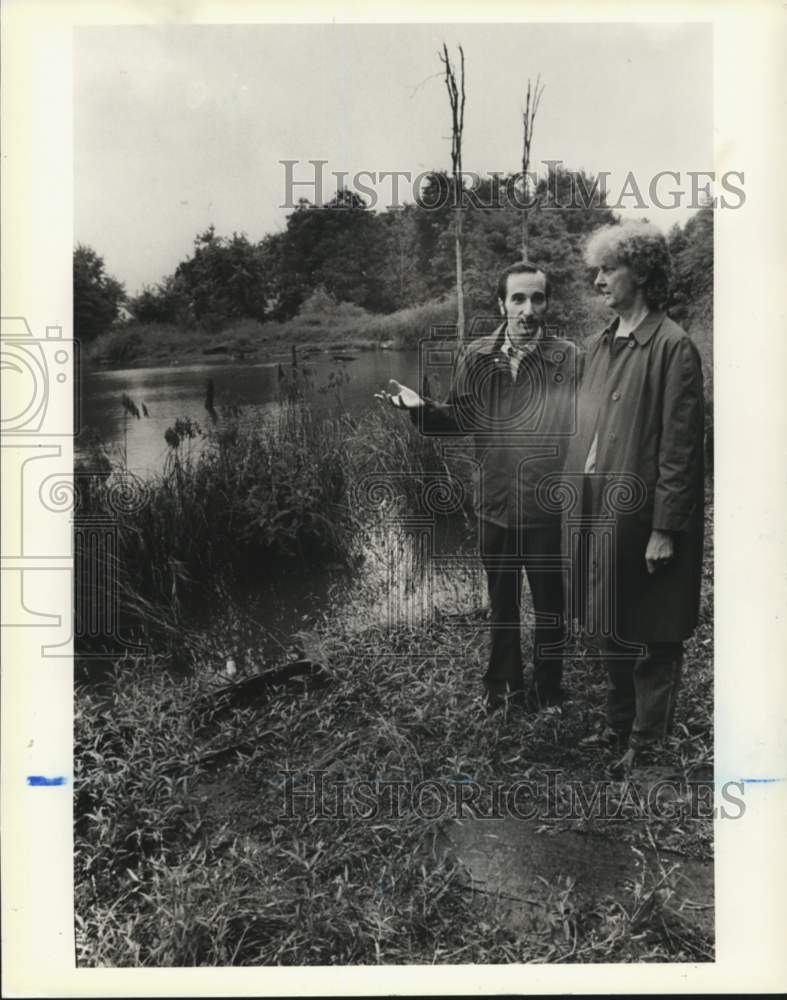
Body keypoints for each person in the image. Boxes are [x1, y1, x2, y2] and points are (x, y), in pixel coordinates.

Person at [376, 262, 577, 711]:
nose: (528, 309)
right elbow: (460, 420)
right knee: (501, 604)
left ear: (547, 303)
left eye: (537, 298)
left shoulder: (566, 356)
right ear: (501, 304)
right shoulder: (476, 356)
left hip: (545, 506)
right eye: (518, 299)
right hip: (494, 504)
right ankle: (504, 688)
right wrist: (420, 408)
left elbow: (579, 430)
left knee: (550, 604)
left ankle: (549, 691)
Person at [568, 221, 705, 775]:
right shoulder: (603, 343)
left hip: (647, 517)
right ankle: (618, 722)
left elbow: (681, 452)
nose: (598, 280)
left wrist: (665, 529)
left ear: (641, 273)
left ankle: (646, 749)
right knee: (612, 618)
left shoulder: (674, 347)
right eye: (595, 270)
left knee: (654, 631)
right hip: (602, 508)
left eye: (608, 270)